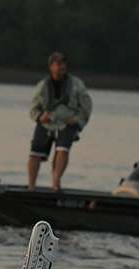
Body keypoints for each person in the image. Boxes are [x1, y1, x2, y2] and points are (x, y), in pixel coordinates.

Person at [27, 52, 93, 191]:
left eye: (63, 64)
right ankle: (31, 186)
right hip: (46, 122)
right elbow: (33, 108)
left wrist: (77, 120)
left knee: (63, 150)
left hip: (67, 123)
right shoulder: (43, 85)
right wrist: (39, 117)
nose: (62, 67)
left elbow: (86, 106)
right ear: (51, 66)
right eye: (58, 64)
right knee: (34, 153)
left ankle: (55, 183)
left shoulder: (76, 84)